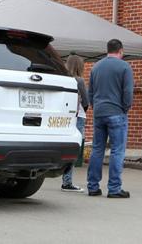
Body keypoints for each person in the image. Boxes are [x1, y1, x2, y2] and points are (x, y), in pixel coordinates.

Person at [86, 38, 133, 199]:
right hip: (116, 112)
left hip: (99, 112)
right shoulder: (124, 67)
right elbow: (127, 93)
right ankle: (114, 188)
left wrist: (95, 106)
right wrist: (124, 108)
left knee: (97, 149)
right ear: (120, 50)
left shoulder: (96, 67)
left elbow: (90, 92)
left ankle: (92, 186)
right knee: (117, 151)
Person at [61, 54, 90, 192]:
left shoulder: (64, 79)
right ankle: (67, 182)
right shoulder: (79, 81)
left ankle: (65, 180)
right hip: (78, 117)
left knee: (66, 148)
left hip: (65, 116)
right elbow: (86, 102)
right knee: (75, 148)